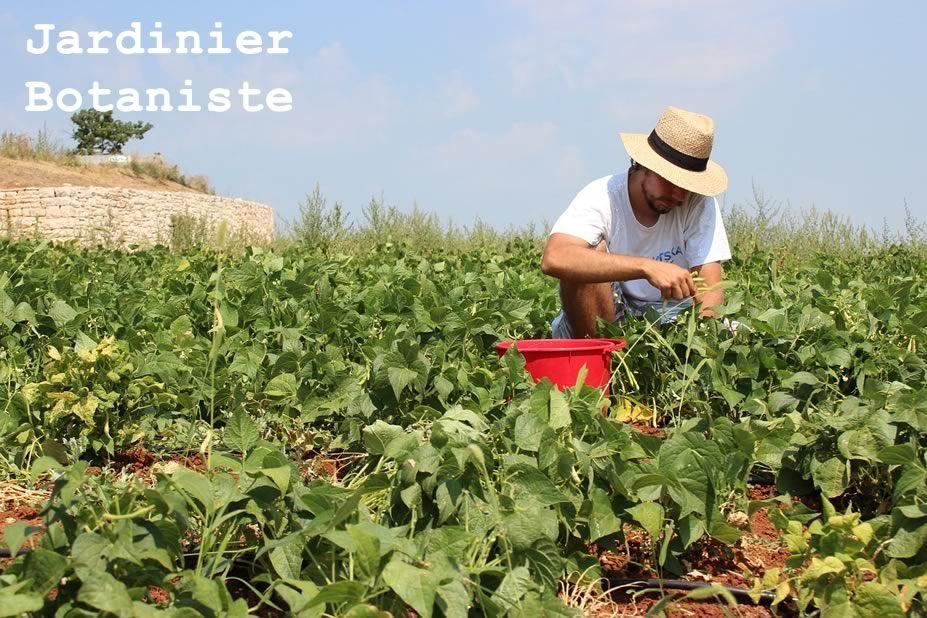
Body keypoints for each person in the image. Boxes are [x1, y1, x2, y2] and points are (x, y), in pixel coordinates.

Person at [542, 106, 731, 338]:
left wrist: (701, 344)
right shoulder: (603, 195)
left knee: (738, 337)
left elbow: (709, 291)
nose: (680, 196)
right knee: (588, 254)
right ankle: (599, 356)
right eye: (671, 181)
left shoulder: (698, 203)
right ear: (644, 165)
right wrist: (646, 267)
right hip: (610, 312)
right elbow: (555, 257)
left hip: (671, 315)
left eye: (688, 186)